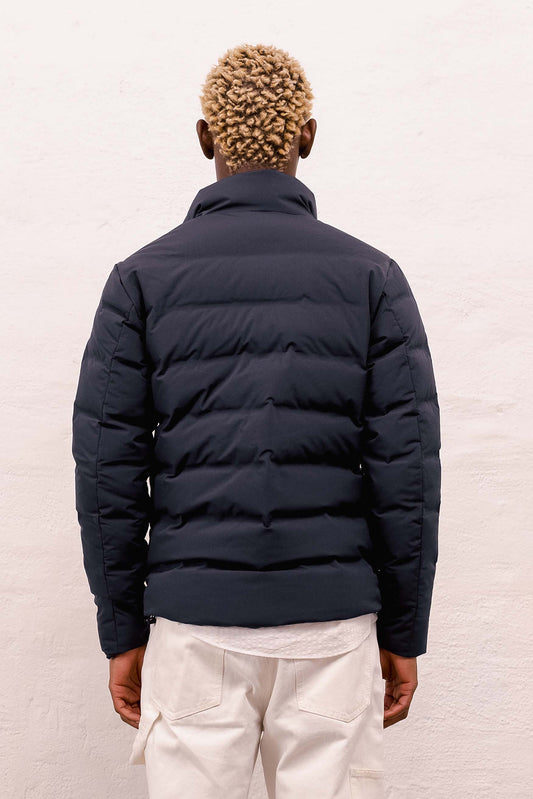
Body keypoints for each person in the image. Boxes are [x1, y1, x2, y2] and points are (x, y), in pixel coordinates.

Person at [72, 42, 441, 799]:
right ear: (307, 136)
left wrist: (123, 630)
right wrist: (403, 631)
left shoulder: (141, 280)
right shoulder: (372, 278)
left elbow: (107, 474)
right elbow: (406, 475)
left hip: (194, 627)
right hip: (331, 628)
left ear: (205, 137)